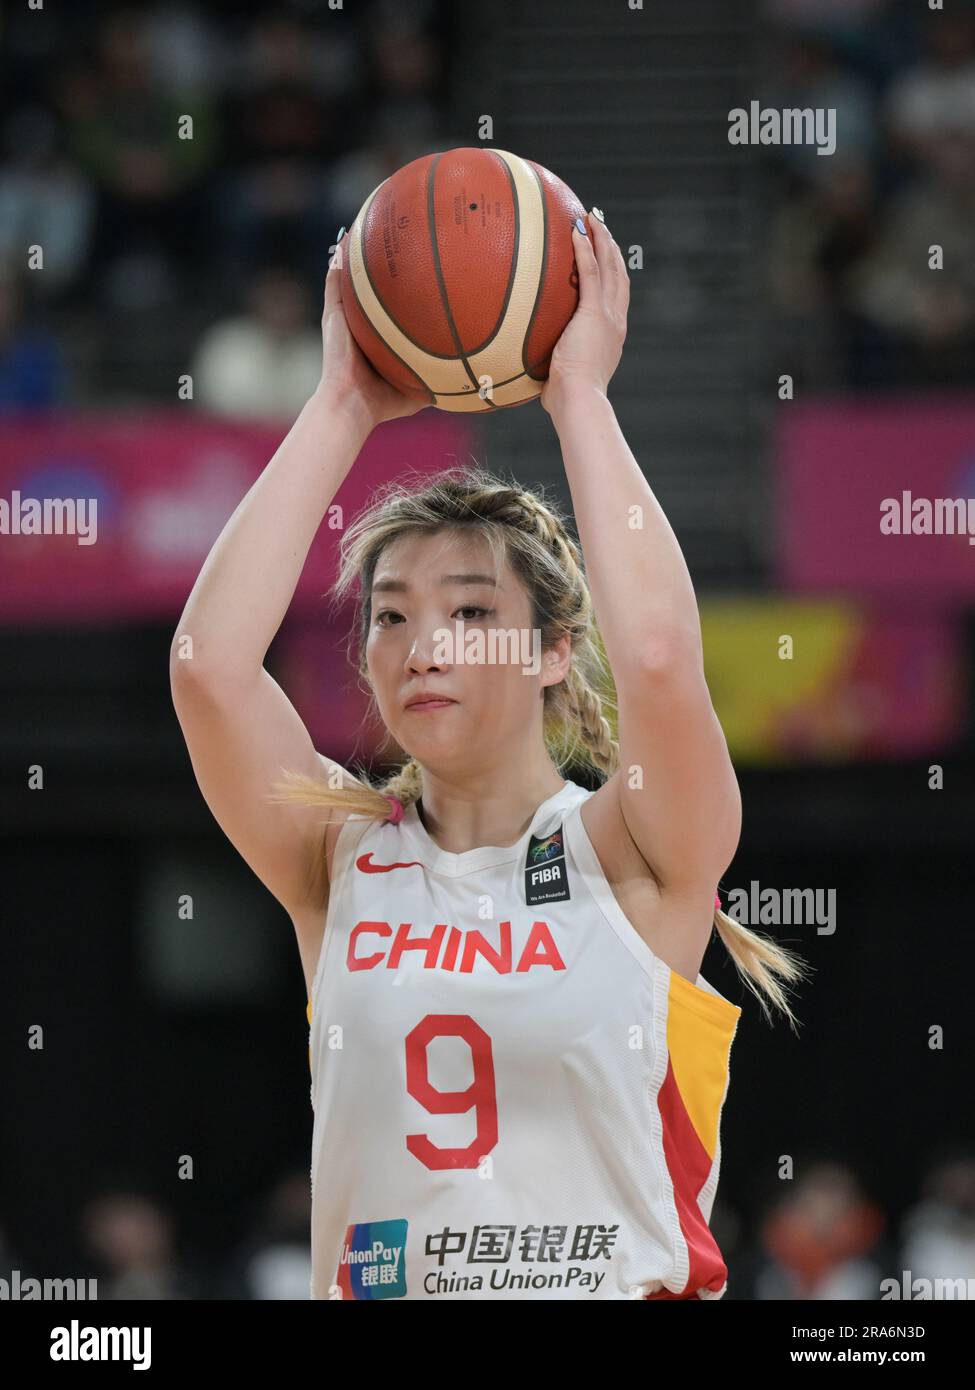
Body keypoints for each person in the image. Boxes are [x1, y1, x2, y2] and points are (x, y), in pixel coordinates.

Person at [170, 212, 808, 1302]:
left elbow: (655, 656)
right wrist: (340, 406)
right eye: (390, 618)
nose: (424, 646)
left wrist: (581, 400)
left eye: (471, 612)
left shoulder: (635, 848)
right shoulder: (339, 859)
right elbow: (208, 668)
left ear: (555, 649)